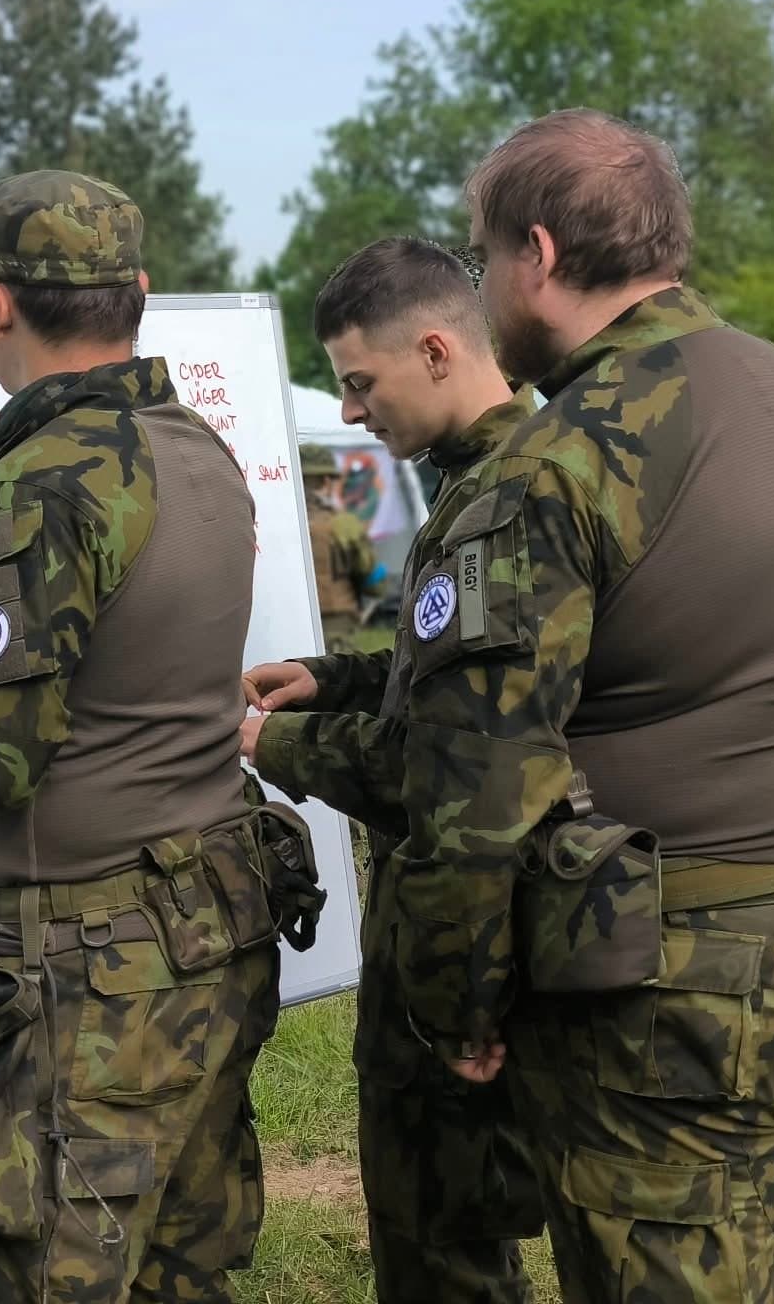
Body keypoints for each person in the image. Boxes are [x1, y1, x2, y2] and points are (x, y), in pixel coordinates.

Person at [330, 112, 774, 1302]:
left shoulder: (557, 460)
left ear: (535, 253)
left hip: (694, 984)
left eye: (484, 264)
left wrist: (458, 1004)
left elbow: (479, 786)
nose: (483, 294)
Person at [0, 170, 301, 1304]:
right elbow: (100, 541)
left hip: (89, 985)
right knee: (178, 1273)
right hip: (205, 932)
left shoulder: (38, 491)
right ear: (139, 293)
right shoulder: (191, 445)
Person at [238, 237, 542, 1304]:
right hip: (462, 936)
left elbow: (445, 770)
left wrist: (271, 745)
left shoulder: (505, 502)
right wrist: (335, 678)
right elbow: (451, 675)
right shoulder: (485, 481)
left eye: (360, 384)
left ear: (434, 349)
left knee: (441, 1248)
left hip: (461, 945)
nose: (353, 412)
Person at [301, 444, 382, 649]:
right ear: (327, 481)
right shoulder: (344, 523)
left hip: (287, 622)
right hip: (336, 623)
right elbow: (373, 579)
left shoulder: (275, 522)